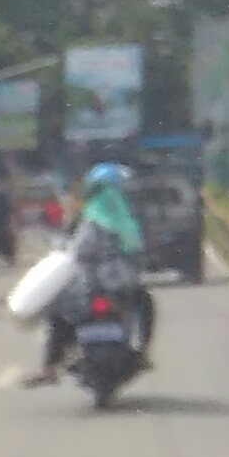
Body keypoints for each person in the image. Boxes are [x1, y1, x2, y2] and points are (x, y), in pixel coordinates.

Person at [27, 161, 153, 386]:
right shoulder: (125, 220)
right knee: (145, 303)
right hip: (117, 287)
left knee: (58, 313)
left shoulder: (87, 218)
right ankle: (143, 353)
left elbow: (69, 250)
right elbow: (138, 252)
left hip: (84, 288)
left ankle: (49, 367)